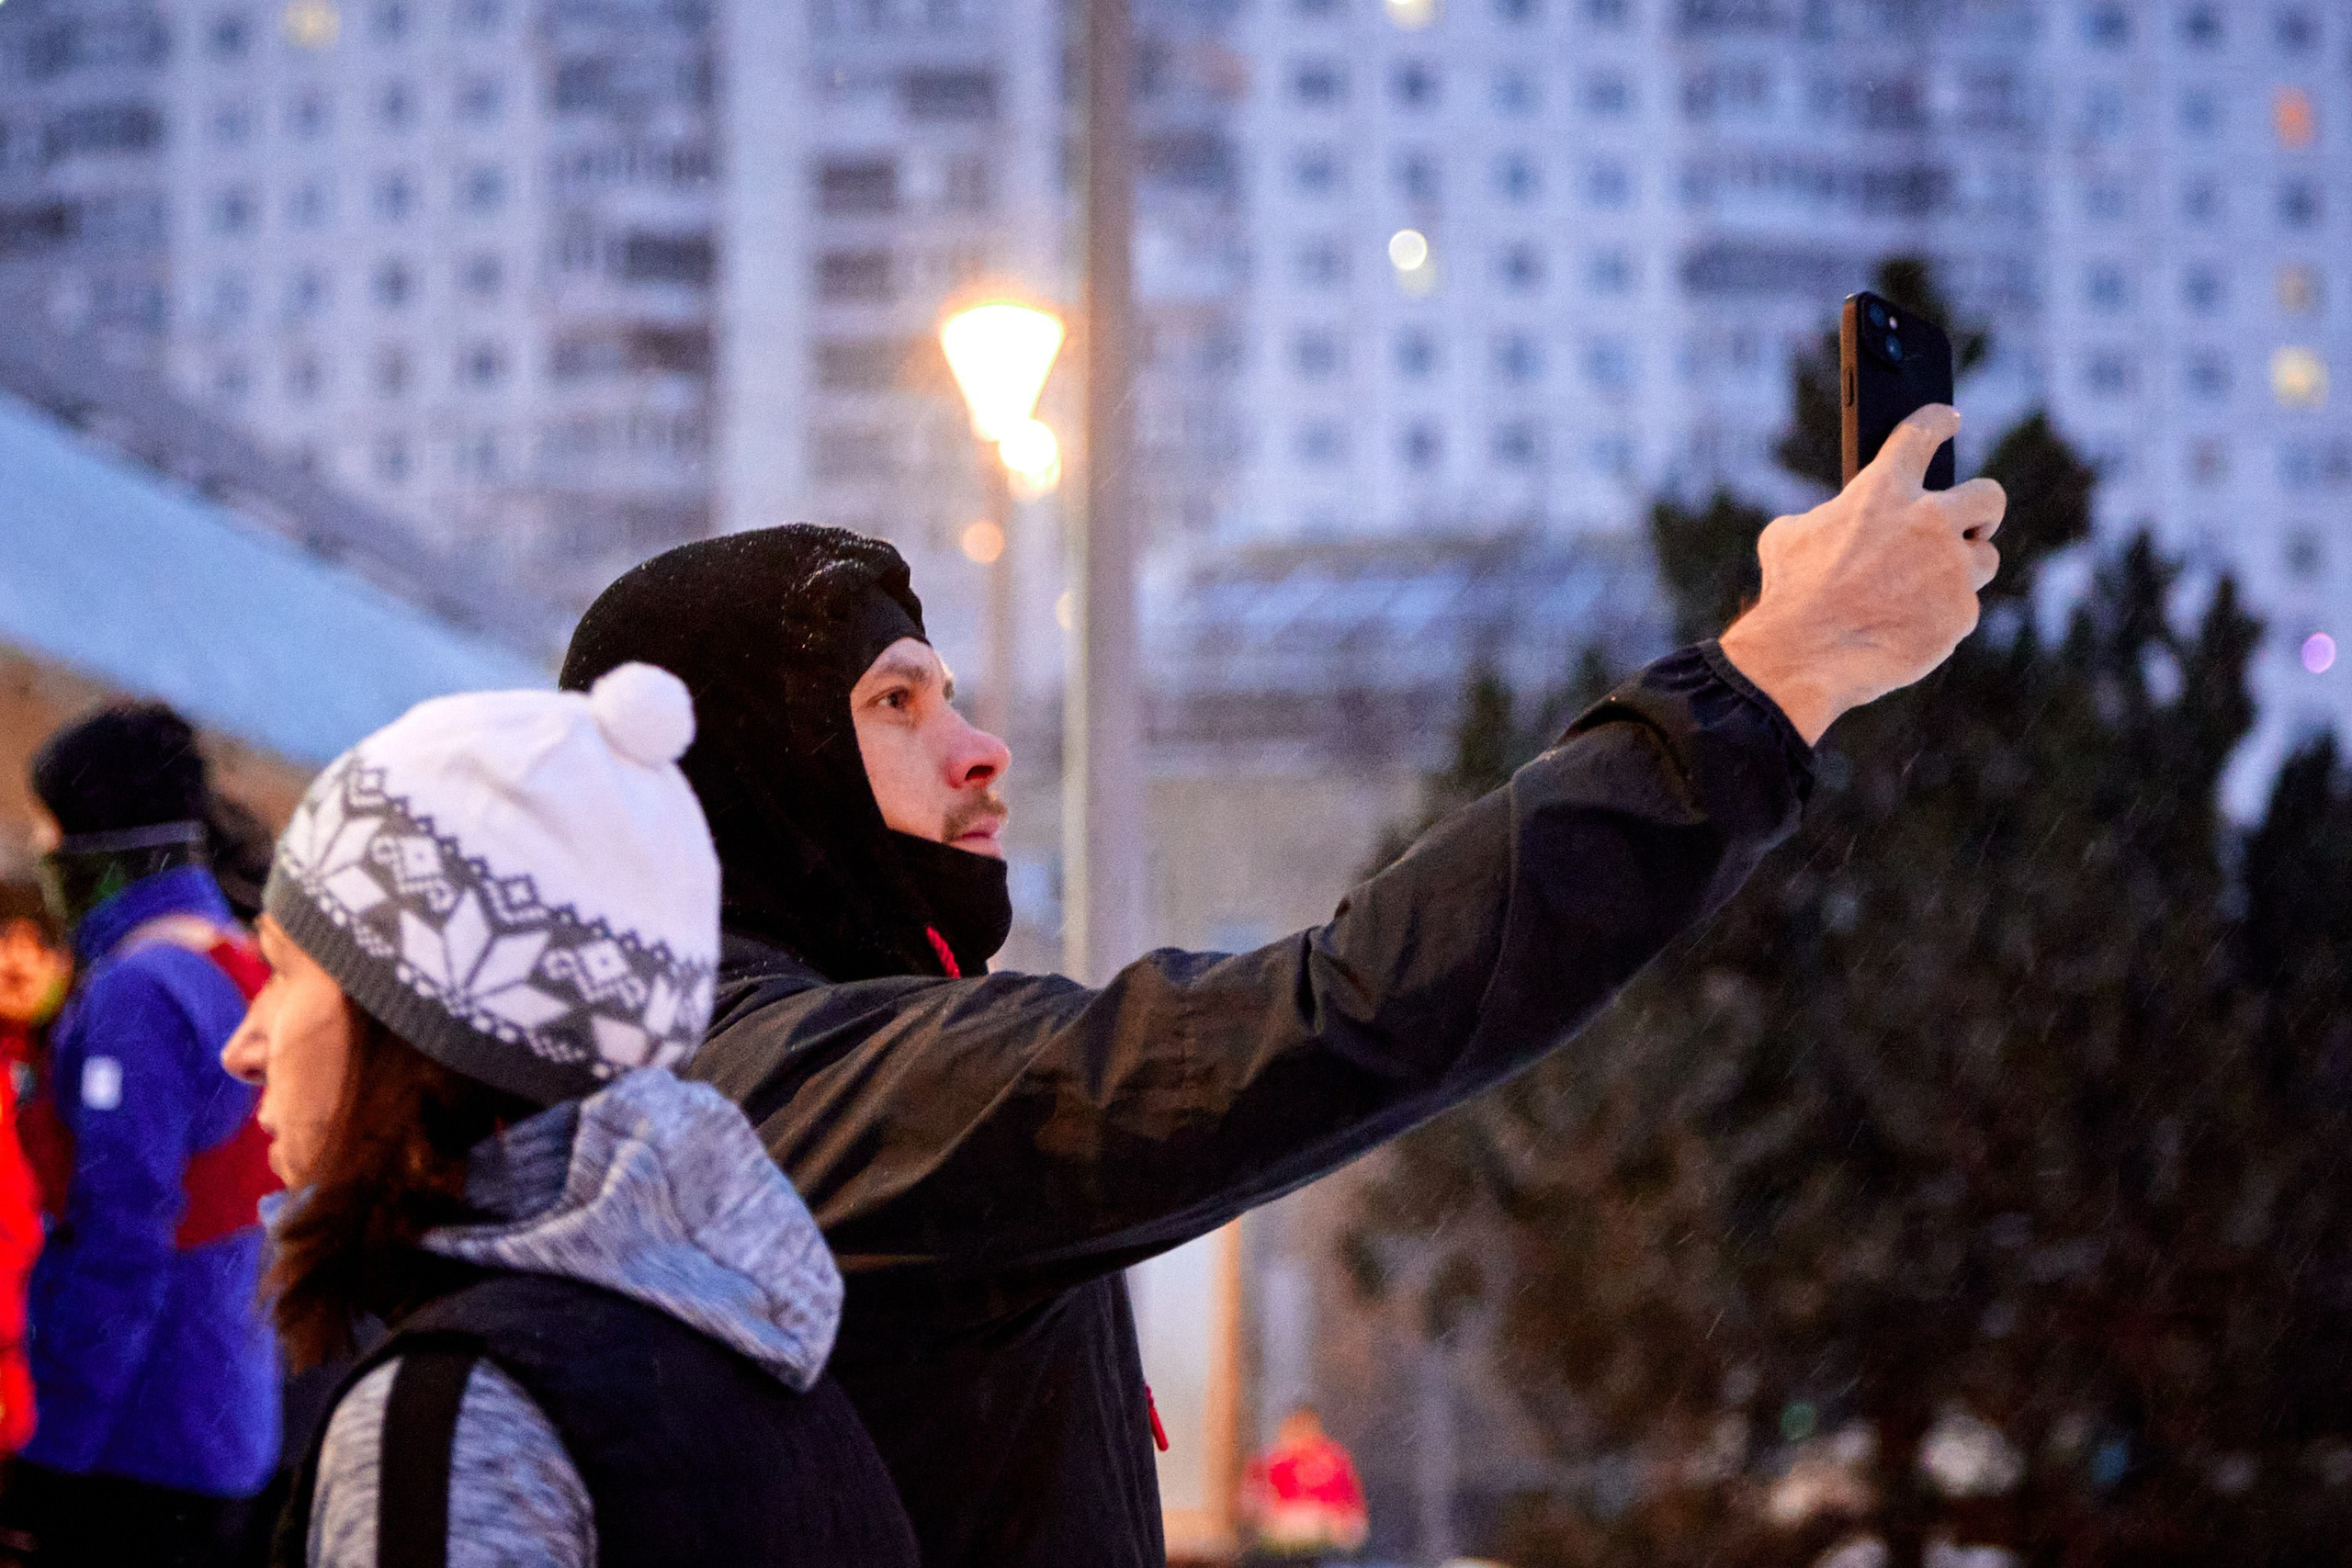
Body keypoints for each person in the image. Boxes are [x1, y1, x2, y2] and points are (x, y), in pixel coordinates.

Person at [558, 404, 2003, 1566]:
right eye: (896, 702)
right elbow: (1350, 1007)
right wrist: (1772, 677)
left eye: (952, 691)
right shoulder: (787, 1097)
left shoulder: (752, 1080)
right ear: (750, 780)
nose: (982, 745)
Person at [227, 663, 918, 1568]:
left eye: (283, 972)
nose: (244, 1044)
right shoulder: (758, 1361)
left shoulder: (463, 1416)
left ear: (414, 1018)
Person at [5, 704, 280, 1565]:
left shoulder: (142, 992)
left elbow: (123, 1240)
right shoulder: (234, 958)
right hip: (225, 1416)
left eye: (49, 828)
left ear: (90, 843)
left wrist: (53, 1449)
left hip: (138, 1444)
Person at [0, 888, 68, 1464]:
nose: (17, 959)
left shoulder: (79, 1065)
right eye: (4, 939)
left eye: (38, 943)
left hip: (43, 1366)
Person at [1240, 1408, 1368, 1561]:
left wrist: (1349, 1529)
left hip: (1325, 1542)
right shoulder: (1269, 1460)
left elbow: (1351, 1504)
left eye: (1306, 1426)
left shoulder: (1334, 1458)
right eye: (1296, 1426)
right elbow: (1251, 1505)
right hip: (1282, 1543)